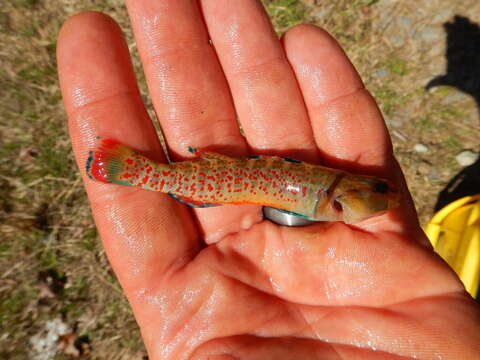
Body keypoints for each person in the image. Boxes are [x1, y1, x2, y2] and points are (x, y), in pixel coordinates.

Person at [57, 1, 480, 359]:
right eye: (379, 191)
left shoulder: (338, 195)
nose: (386, 193)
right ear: (343, 200)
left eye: (380, 189)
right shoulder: (338, 196)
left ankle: (132, 170)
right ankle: (129, 169)